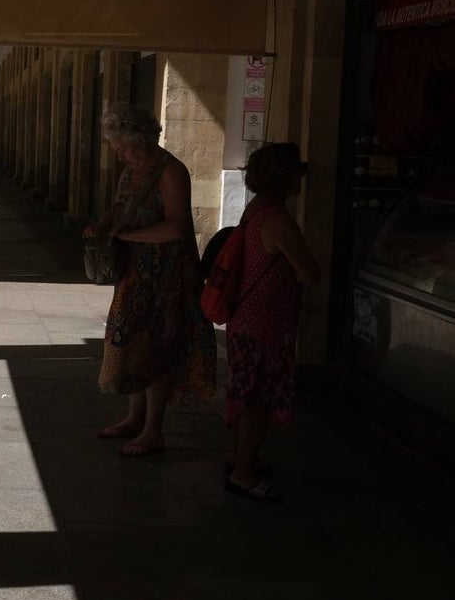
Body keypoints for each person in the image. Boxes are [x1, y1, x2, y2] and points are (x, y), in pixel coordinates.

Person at [84, 103, 216, 456]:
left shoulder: (171, 172)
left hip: (167, 275)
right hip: (135, 274)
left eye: (125, 148)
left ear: (141, 139)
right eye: (118, 150)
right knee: (131, 343)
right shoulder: (131, 172)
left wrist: (126, 236)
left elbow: (176, 227)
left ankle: (153, 430)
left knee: (158, 347)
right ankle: (133, 417)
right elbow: (120, 208)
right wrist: (104, 227)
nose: (122, 156)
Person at [224, 143, 320, 502]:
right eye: (299, 169)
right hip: (267, 322)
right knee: (258, 400)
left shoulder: (256, 209)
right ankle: (243, 473)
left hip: (245, 318)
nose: (302, 176)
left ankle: (239, 457)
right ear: (286, 176)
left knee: (248, 394)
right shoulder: (278, 221)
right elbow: (311, 275)